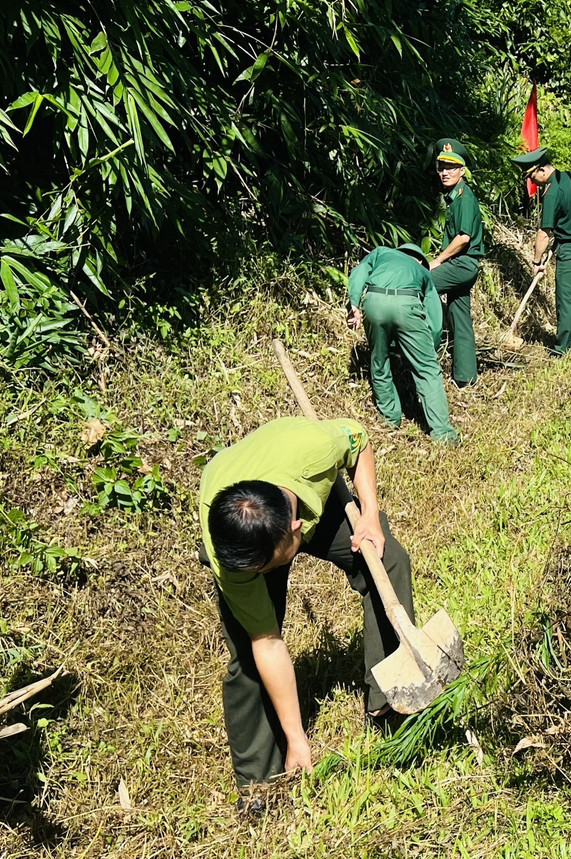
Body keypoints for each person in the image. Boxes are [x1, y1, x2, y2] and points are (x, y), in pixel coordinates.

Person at [199, 417, 409, 793]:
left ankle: (390, 700)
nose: (262, 575)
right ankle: (257, 784)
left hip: (307, 493)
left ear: (297, 531)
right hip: (252, 528)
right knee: (248, 654)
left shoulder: (315, 450)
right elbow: (268, 643)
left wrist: (371, 515)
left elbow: (358, 440)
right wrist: (297, 736)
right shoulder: (230, 552)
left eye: (269, 566)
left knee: (388, 559)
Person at [347, 244, 461, 444]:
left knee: (379, 362)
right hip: (407, 304)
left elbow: (359, 272)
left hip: (374, 301)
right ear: (419, 259)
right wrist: (430, 348)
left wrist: (354, 303)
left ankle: (390, 419)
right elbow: (434, 315)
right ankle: (443, 434)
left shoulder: (381, 252)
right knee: (427, 370)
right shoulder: (421, 271)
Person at [515, 147, 571, 356]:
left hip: (570, 252)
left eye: (532, 177)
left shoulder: (551, 192)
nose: (532, 182)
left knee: (566, 300)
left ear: (541, 170)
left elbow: (544, 233)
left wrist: (536, 261)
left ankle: (562, 348)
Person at [427, 138, 484, 388]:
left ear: (462, 170)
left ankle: (425, 346)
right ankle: (465, 377)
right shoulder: (455, 196)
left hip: (463, 264)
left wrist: (436, 261)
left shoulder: (464, 197)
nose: (445, 172)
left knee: (421, 285)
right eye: (441, 167)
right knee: (460, 316)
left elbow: (463, 238)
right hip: (463, 265)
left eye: (451, 167)